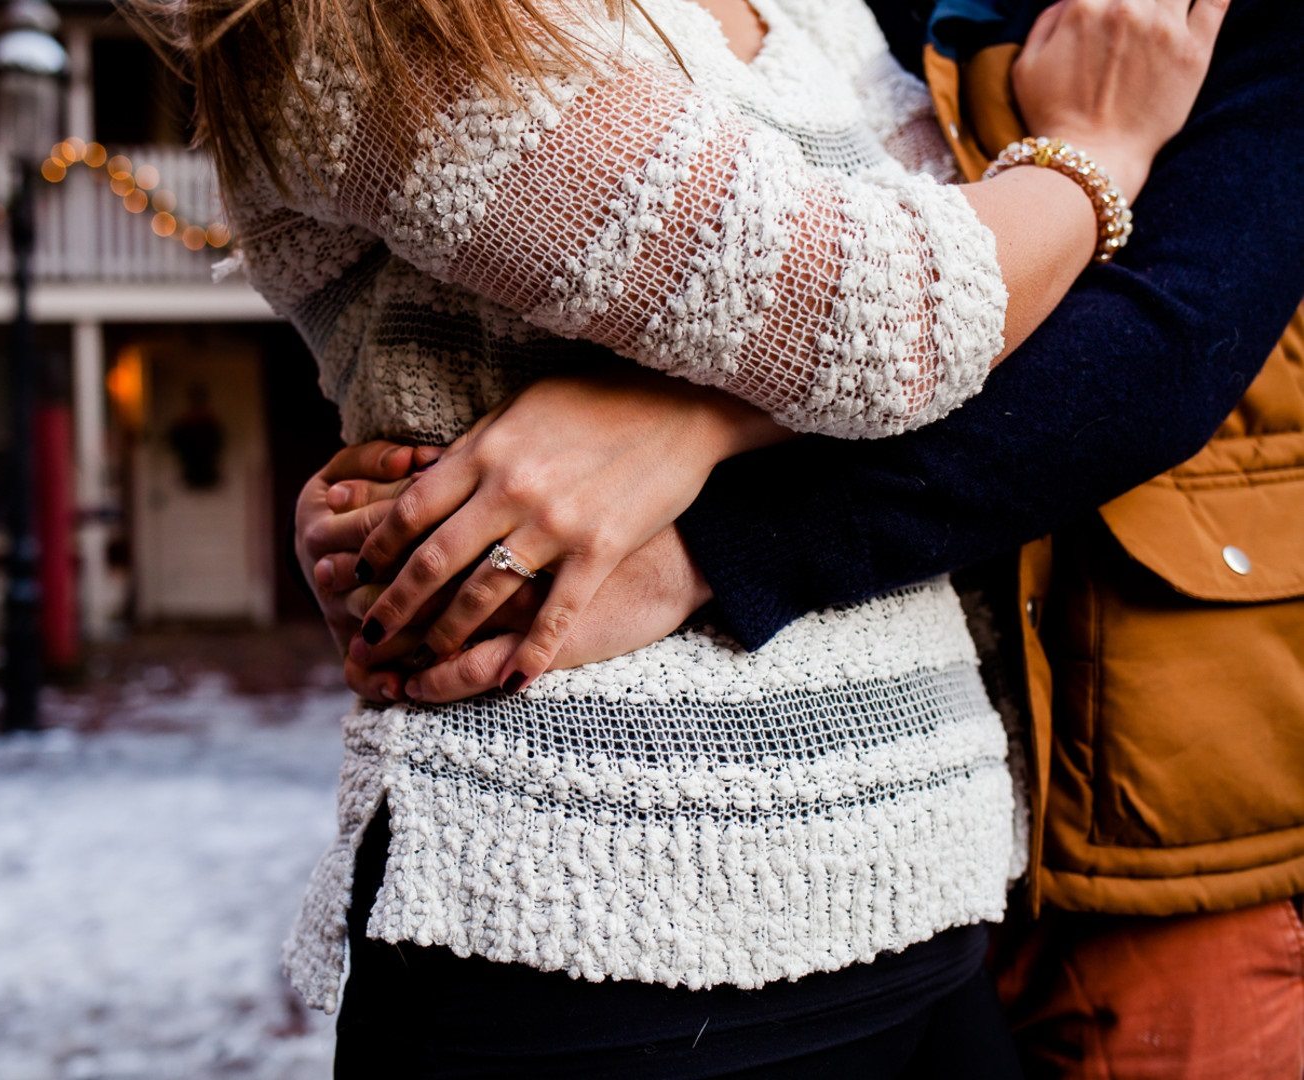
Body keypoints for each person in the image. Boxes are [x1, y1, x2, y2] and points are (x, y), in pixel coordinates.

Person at [128, 0, 1222, 1072]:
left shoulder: (818, 12)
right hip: (591, 914)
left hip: (922, 877)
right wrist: (1095, 147)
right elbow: (886, 309)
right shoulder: (353, 19)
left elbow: (1003, 325)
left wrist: (689, 420)